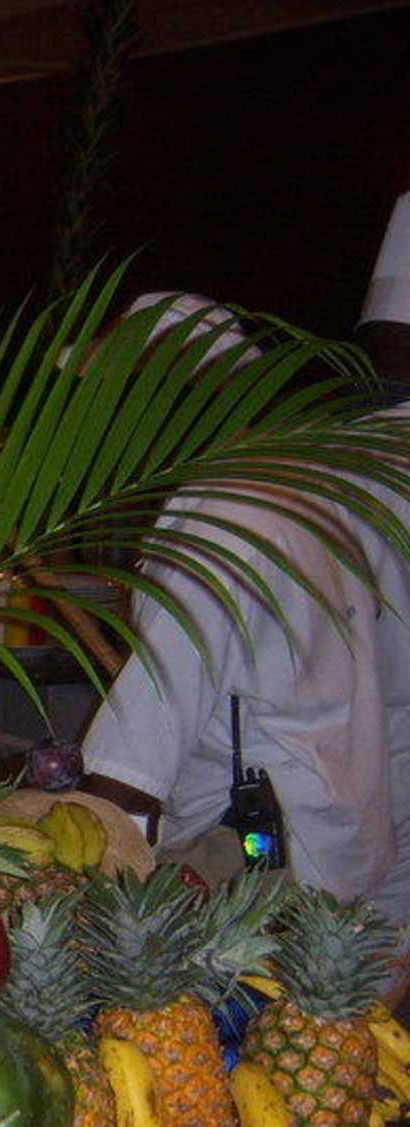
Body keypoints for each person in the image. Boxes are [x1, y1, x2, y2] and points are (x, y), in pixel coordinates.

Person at [79, 274, 410, 989]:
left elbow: (130, 776)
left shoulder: (214, 516)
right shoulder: (311, 479)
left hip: (256, 880)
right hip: (349, 842)